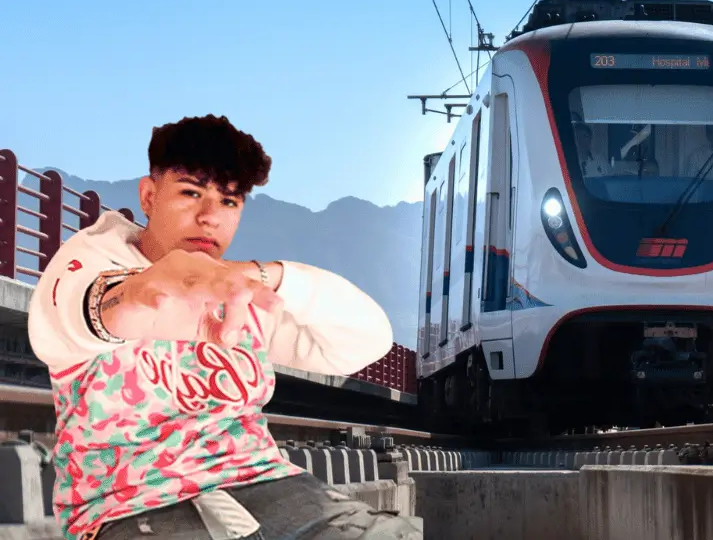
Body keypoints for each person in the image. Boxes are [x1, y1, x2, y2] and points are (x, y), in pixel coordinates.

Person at [26, 114, 420, 540]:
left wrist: (271, 274)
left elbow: (368, 340)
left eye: (229, 202)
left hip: (269, 485)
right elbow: (93, 311)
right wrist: (148, 290)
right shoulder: (88, 262)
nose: (209, 216)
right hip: (131, 504)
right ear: (148, 195)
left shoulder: (236, 290)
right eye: (190, 193)